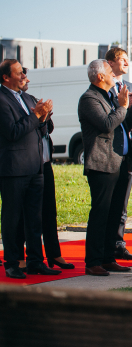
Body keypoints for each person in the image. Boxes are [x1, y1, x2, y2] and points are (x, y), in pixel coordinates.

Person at [78, 59, 132, 276]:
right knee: (100, 213)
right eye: (109, 71)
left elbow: (123, 124)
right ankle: (93, 261)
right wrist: (123, 106)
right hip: (101, 163)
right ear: (100, 77)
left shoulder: (109, 96)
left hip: (118, 161)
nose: (113, 75)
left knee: (114, 214)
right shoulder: (89, 98)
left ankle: (108, 258)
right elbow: (107, 125)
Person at [0, 59, 60, 279]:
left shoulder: (27, 97)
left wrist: (43, 117)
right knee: (12, 218)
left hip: (36, 167)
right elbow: (13, 132)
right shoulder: (2, 100)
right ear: (6, 77)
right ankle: (12, 263)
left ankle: (36, 261)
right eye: (18, 72)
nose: (23, 75)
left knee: (35, 218)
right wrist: (35, 115)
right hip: (14, 169)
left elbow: (40, 130)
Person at [18, 76, 74, 270]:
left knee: (49, 210)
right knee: (22, 213)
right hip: (24, 164)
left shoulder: (31, 99)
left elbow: (46, 129)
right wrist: (36, 116)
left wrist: (46, 115)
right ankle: (19, 256)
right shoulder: (8, 101)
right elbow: (18, 130)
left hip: (44, 161)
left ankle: (54, 254)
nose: (27, 79)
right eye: (22, 75)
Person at [105, 47, 132, 261]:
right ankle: (106, 246)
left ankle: (119, 244)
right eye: (122, 60)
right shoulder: (104, 87)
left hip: (129, 151)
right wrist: (123, 106)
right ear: (110, 63)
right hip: (110, 151)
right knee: (109, 202)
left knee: (123, 202)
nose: (127, 64)